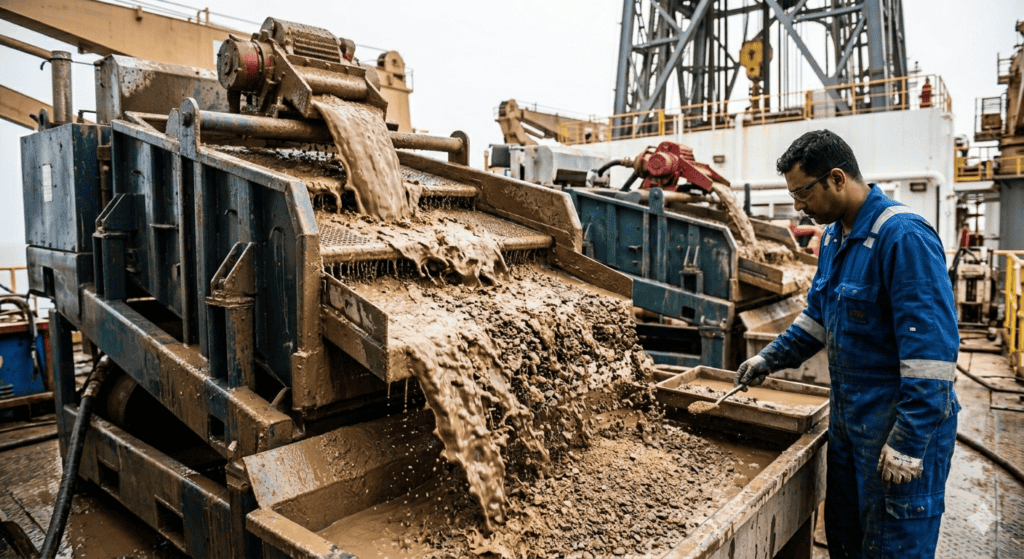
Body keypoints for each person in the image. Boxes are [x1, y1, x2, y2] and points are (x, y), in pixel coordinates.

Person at [735, 130, 959, 558]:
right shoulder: (835, 238)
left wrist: (908, 443)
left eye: (802, 193)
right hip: (850, 424)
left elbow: (931, 358)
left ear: (837, 178)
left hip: (896, 428)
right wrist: (768, 359)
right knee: (846, 538)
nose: (797, 205)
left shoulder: (903, 238)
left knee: (891, 546)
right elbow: (817, 319)